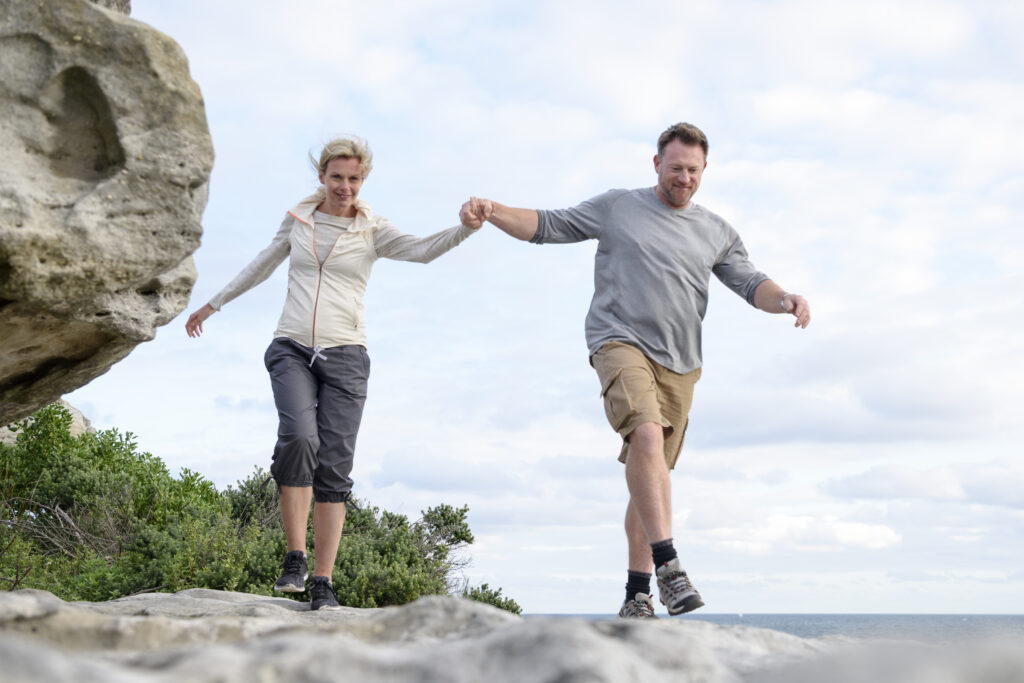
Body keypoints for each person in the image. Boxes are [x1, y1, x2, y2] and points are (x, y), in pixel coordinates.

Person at [460, 122, 811, 619]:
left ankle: (637, 596)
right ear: (656, 165)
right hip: (618, 341)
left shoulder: (716, 231)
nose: (683, 178)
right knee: (646, 437)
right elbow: (548, 225)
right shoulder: (620, 206)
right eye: (674, 168)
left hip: (682, 364)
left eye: (692, 170)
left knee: (650, 475)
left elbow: (750, 282)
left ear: (704, 170)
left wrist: (786, 300)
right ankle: (670, 568)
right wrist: (493, 211)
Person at [186, 137, 480, 610]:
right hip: (292, 347)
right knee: (300, 438)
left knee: (334, 465)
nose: (345, 186)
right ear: (322, 176)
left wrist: (463, 228)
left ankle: (322, 580)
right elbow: (262, 264)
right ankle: (295, 557)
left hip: (347, 354)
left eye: (354, 179)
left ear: (363, 180)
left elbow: (423, 250)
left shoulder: (372, 228)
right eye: (337, 177)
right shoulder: (299, 220)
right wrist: (212, 304)